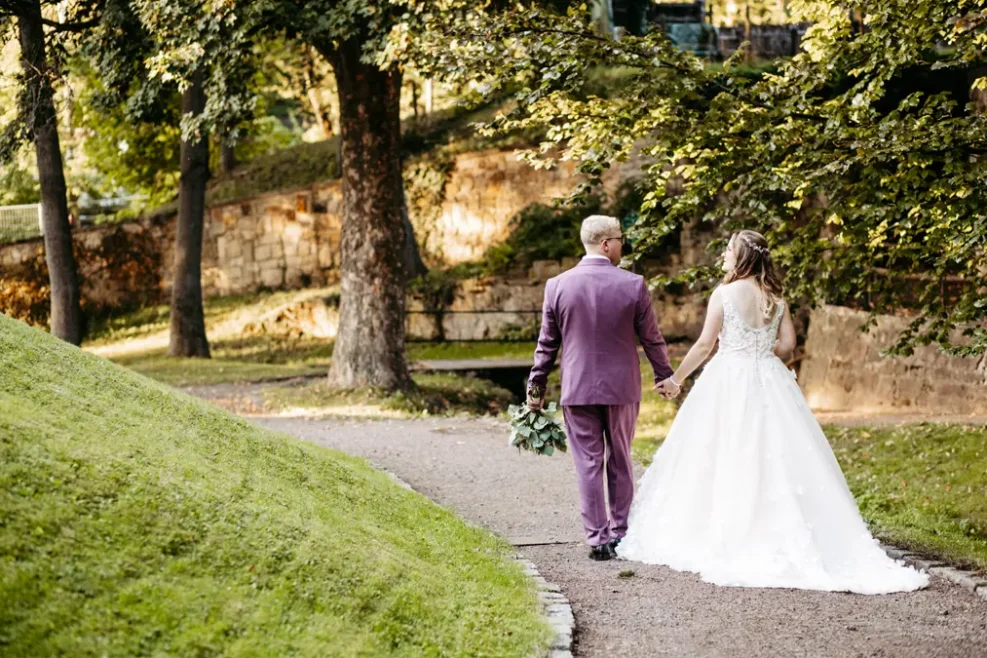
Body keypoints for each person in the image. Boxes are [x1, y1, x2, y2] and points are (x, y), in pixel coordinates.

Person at [618, 230, 929, 594]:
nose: (724, 254)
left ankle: (724, 530)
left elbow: (704, 345)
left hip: (728, 379)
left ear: (743, 257)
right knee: (777, 453)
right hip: (769, 378)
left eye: (729, 250)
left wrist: (675, 379)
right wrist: (762, 354)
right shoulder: (776, 298)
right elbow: (787, 345)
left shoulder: (724, 293)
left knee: (722, 450)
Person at [527, 215, 674, 561]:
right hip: (621, 388)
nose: (623, 245)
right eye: (620, 239)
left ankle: (598, 539)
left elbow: (546, 345)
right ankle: (621, 533)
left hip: (577, 389)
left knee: (588, 464)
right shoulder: (633, 284)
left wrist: (536, 387)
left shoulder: (557, 285)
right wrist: (663, 375)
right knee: (620, 459)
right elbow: (651, 339)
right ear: (606, 244)